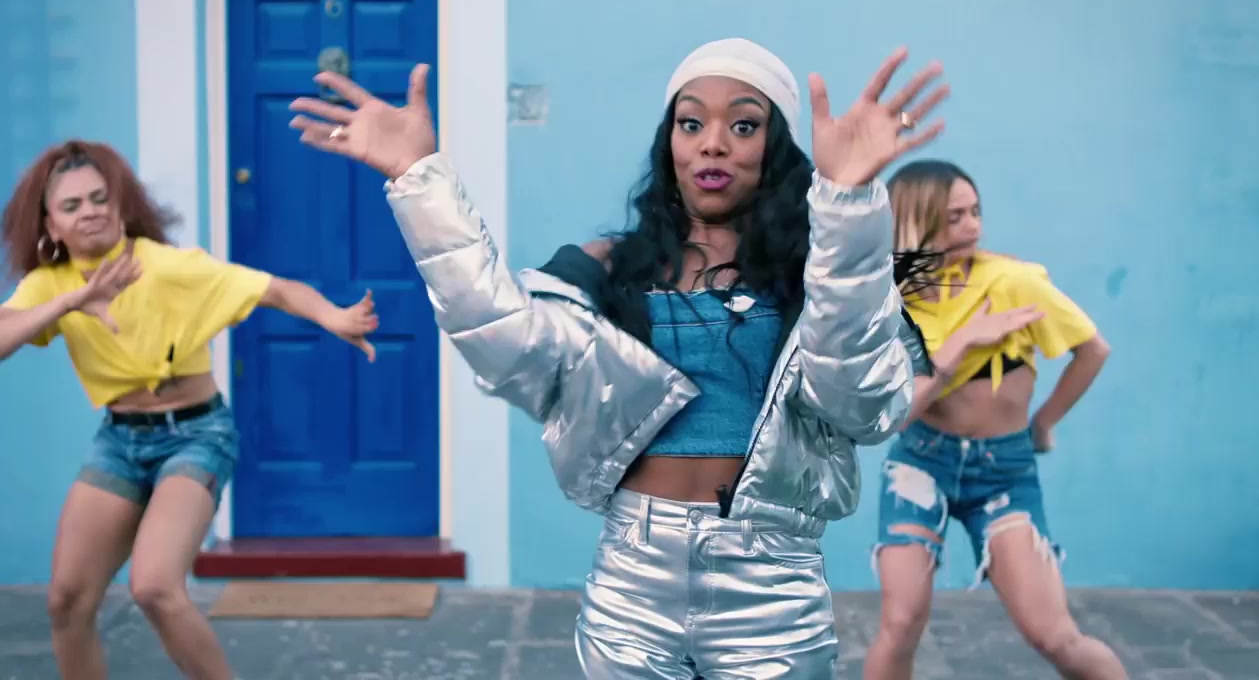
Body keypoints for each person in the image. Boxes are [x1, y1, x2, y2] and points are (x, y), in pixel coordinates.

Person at [287, 38, 946, 679]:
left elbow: (861, 405)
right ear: (670, 143)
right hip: (634, 581)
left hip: (772, 581)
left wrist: (847, 205)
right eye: (691, 123)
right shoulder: (607, 266)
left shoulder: (822, 276)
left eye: (744, 126)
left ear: (775, 148)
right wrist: (418, 179)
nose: (713, 143)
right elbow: (503, 340)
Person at [0, 140, 378, 680]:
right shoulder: (50, 284)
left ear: (119, 204)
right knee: (66, 599)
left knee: (154, 586)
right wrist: (71, 301)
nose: (90, 212)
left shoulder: (167, 267)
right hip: (120, 441)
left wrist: (334, 317)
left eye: (100, 198)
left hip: (196, 435)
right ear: (50, 226)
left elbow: (276, 290)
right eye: (72, 205)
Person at [863, 159, 1127, 679]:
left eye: (975, 212)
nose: (973, 227)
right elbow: (895, 417)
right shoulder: (891, 302)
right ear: (915, 224)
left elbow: (1093, 349)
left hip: (1004, 473)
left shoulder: (1012, 281)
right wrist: (962, 344)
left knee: (1054, 635)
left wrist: (1044, 423)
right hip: (921, 463)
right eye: (954, 217)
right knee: (900, 624)